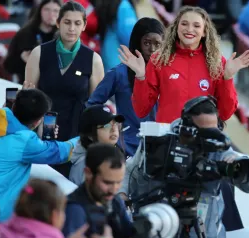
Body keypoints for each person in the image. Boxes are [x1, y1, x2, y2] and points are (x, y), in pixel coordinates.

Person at [121, 96, 249, 238]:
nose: (210, 136)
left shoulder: (218, 146)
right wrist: (122, 194)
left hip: (199, 232)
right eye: (204, 131)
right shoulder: (161, 140)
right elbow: (130, 169)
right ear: (186, 125)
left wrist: (240, 163)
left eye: (214, 129)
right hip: (160, 225)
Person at [119, 6, 249, 124]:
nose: (189, 29)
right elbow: (141, 110)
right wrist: (141, 77)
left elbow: (225, 114)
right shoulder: (159, 59)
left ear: (204, 32)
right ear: (176, 27)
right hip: (169, 138)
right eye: (184, 24)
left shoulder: (217, 62)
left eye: (196, 26)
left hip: (202, 140)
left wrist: (228, 78)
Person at [24, 1, 105, 162]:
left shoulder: (93, 59)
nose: (72, 28)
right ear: (58, 23)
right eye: (67, 22)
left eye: (77, 23)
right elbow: (28, 98)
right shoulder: (39, 53)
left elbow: (96, 106)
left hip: (75, 137)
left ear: (84, 25)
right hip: (42, 133)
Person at [0, 88, 78, 222]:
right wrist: (86, 136)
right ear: (38, 121)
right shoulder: (25, 142)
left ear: (14, 104)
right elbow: (61, 152)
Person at [87, 17, 164, 157]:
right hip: (126, 149)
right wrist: (110, 126)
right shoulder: (119, 73)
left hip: (160, 149)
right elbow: (92, 105)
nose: (152, 49)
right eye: (147, 43)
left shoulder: (169, 74)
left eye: (157, 44)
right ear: (137, 42)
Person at [63, 143, 134, 238]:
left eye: (119, 182)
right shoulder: (74, 210)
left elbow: (127, 236)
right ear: (88, 173)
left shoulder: (113, 200)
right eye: (107, 182)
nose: (114, 189)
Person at [3, 0, 61, 84]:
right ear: (39, 11)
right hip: (29, 86)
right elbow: (8, 66)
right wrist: (22, 60)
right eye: (47, 10)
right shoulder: (25, 34)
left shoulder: (64, 36)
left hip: (55, 87)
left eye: (56, 11)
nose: (51, 14)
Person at [69, 104, 125, 186]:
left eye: (115, 123)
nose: (114, 129)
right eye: (106, 126)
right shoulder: (87, 163)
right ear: (90, 135)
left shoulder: (111, 153)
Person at [96, 0, 138, 71]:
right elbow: (131, 37)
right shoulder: (124, 6)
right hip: (122, 64)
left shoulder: (106, 4)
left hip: (108, 59)